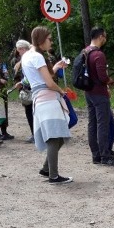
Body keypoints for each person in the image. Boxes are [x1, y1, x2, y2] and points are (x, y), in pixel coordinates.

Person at [22, 26, 72, 184]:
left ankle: (47, 169)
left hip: (41, 98)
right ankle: (53, 176)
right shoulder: (37, 56)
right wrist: (62, 92)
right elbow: (49, 83)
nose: (51, 42)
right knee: (54, 137)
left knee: (59, 135)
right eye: (49, 39)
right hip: (48, 98)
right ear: (42, 39)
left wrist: (56, 67)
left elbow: (43, 76)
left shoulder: (28, 55)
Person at [83, 27, 114, 167]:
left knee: (92, 124)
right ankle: (105, 156)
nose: (105, 39)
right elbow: (102, 77)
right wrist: (112, 81)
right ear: (100, 37)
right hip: (99, 93)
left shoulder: (85, 51)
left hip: (88, 93)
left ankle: (96, 155)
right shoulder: (98, 55)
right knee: (102, 125)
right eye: (104, 37)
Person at [10, 40, 34, 142]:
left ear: (22, 49)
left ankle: (35, 134)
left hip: (30, 89)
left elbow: (28, 76)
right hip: (33, 88)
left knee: (30, 112)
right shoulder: (33, 56)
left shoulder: (26, 58)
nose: (18, 51)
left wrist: (22, 83)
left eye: (18, 49)